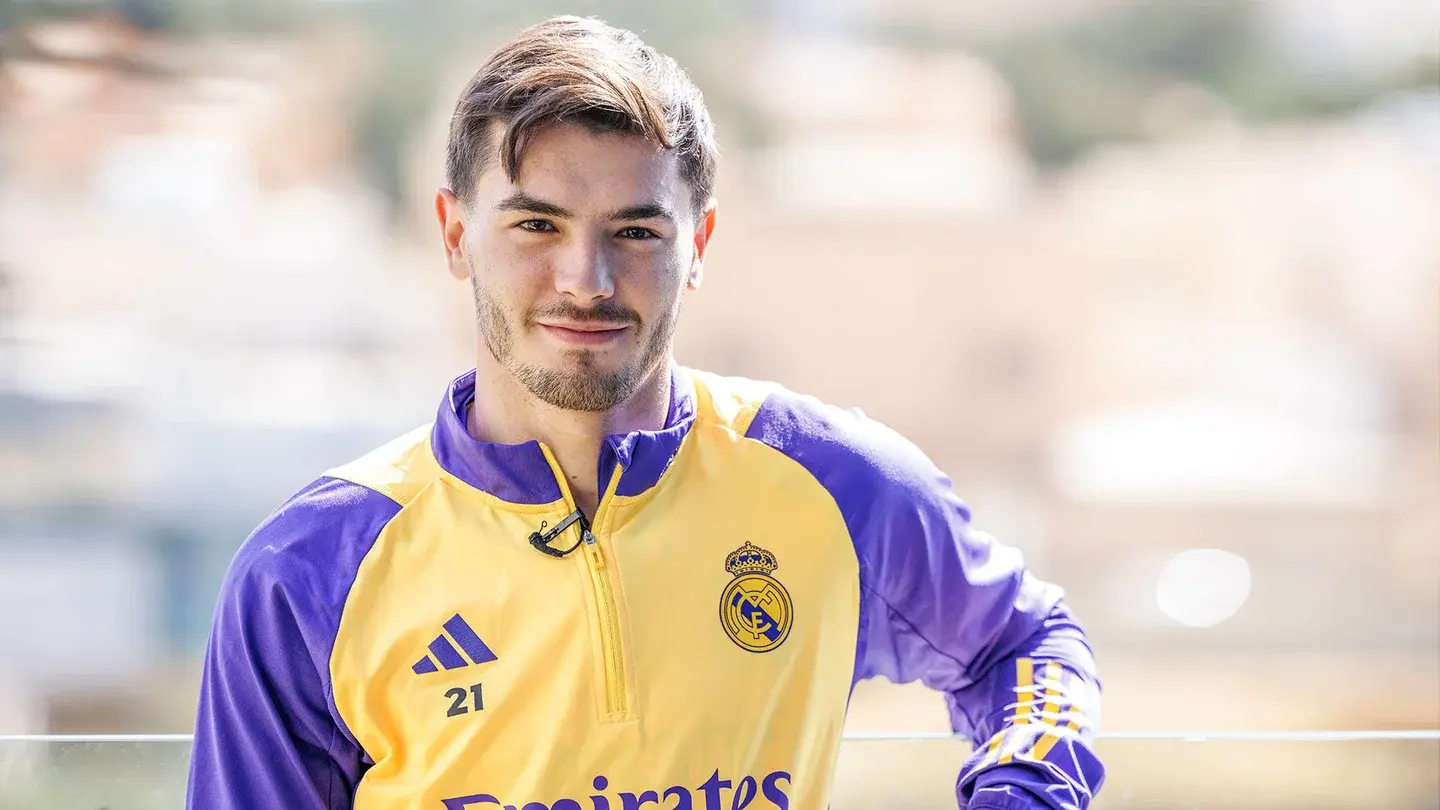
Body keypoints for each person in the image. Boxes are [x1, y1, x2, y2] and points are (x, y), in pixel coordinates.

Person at [187, 15, 1104, 810]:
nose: (584, 280)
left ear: (697, 242)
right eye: (535, 225)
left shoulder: (831, 481)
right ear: (455, 234)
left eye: (636, 231)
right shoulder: (311, 570)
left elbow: (1025, 644)